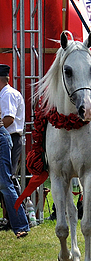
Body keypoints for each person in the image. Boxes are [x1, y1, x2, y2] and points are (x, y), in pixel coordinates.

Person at [0, 64, 30, 238]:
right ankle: (14, 220)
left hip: (10, 137)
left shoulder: (7, 94)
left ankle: (20, 220)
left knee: (8, 181)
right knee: (7, 181)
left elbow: (8, 119)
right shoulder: (7, 93)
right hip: (9, 137)